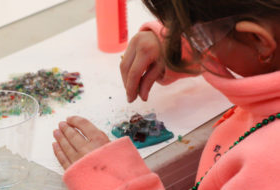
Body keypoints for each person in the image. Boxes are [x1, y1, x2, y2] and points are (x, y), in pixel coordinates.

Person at [52, 0, 280, 189]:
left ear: (259, 41)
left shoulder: (267, 165)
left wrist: (118, 182)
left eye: (200, 38)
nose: (195, 43)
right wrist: (178, 46)